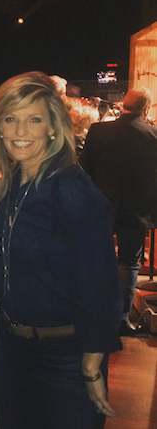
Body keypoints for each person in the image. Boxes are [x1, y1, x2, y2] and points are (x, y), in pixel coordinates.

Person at [0, 71, 122, 429]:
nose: (20, 131)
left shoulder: (72, 191)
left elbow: (102, 285)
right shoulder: (16, 180)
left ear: (52, 127)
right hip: (13, 350)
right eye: (10, 119)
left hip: (65, 357)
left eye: (34, 120)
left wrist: (91, 367)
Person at [81, 87, 157, 335]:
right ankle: (121, 320)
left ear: (124, 103)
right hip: (136, 211)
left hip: (100, 206)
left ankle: (92, 313)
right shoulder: (153, 136)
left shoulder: (99, 131)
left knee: (95, 258)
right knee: (129, 263)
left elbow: (85, 170)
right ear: (145, 108)